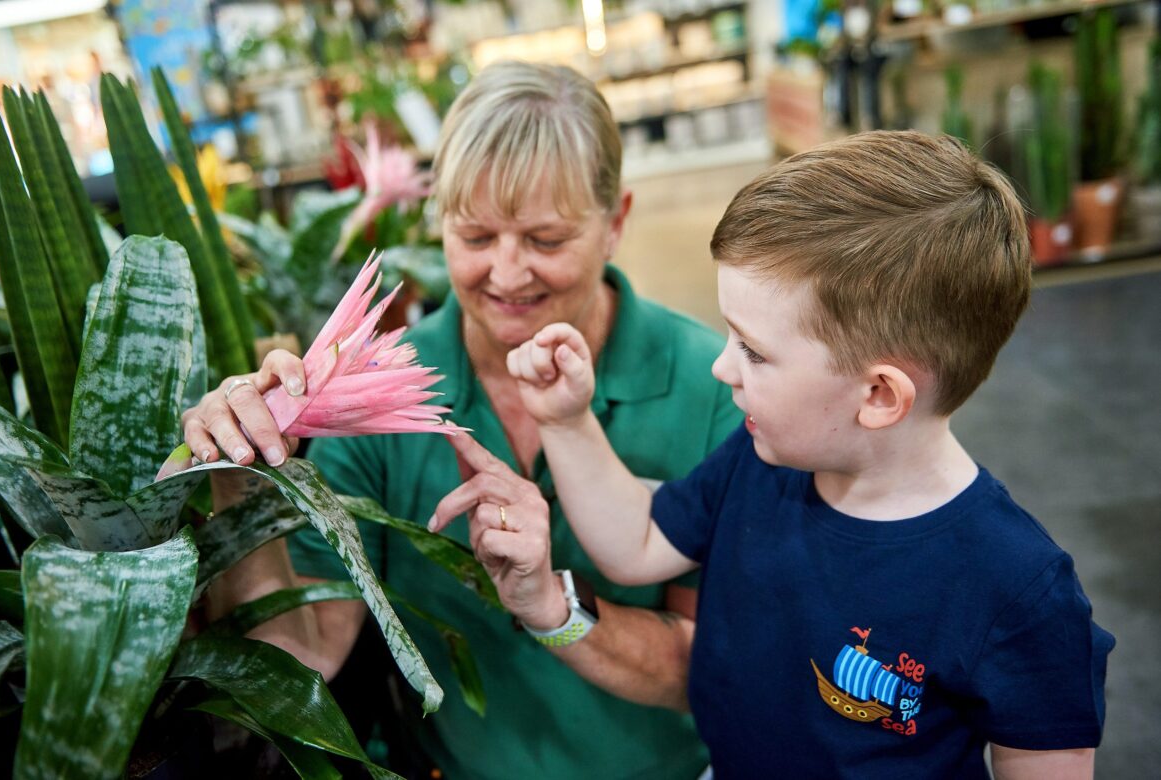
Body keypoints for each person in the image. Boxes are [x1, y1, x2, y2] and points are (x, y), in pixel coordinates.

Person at [432, 131, 1115, 778]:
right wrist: (568, 420)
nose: (722, 368)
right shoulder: (759, 466)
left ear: (878, 394)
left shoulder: (1018, 591)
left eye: (753, 350)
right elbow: (636, 541)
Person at [182, 60, 741, 779]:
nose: (507, 276)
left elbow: (708, 667)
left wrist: (550, 604)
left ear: (616, 223)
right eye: (475, 238)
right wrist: (239, 479)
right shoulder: (373, 390)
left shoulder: (711, 385)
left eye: (545, 240)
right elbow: (305, 650)